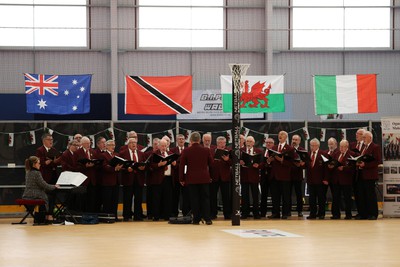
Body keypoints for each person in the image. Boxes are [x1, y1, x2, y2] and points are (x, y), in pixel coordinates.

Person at [179, 132, 214, 225]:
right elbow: (211, 164)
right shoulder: (206, 150)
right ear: (200, 140)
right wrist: (211, 177)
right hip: (204, 178)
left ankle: (196, 219)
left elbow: (181, 166)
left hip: (191, 179)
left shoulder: (186, 151)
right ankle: (207, 219)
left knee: (194, 199)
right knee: (205, 199)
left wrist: (181, 179)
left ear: (190, 140)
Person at [22, 156, 60, 223]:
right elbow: (44, 185)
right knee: (51, 197)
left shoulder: (28, 172)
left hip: (27, 194)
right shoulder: (37, 173)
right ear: (34, 164)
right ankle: (48, 216)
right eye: (38, 163)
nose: (40, 164)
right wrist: (54, 186)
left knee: (48, 195)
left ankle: (44, 216)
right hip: (35, 195)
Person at [268, 131, 295, 219]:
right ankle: (275, 213)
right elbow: (270, 161)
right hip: (274, 175)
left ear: (286, 137)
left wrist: (282, 160)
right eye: (279, 135)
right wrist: (269, 161)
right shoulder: (274, 147)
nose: (280, 136)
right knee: (275, 196)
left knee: (285, 196)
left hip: (284, 176)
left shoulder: (290, 149)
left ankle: (285, 213)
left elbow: (291, 163)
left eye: (282, 135)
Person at [119, 138, 147, 221]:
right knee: (127, 198)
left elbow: (146, 165)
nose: (133, 144)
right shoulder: (123, 153)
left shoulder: (141, 154)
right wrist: (126, 169)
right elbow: (120, 166)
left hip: (139, 179)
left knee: (138, 198)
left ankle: (137, 216)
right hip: (128, 179)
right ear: (128, 144)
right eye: (131, 143)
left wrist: (143, 168)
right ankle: (127, 216)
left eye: (135, 142)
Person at [148, 139, 177, 221]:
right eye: (162, 146)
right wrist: (159, 164)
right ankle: (156, 216)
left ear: (167, 145)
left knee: (167, 198)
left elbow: (176, 167)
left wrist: (174, 164)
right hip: (158, 179)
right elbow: (150, 166)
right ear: (159, 146)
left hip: (168, 179)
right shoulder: (154, 154)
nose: (164, 147)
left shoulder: (171, 154)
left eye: (165, 145)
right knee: (156, 198)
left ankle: (166, 215)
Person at [355, 131, 381, 220]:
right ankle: (363, 214)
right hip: (361, 174)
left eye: (365, 137)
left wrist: (365, 165)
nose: (363, 139)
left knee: (370, 195)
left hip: (370, 175)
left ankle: (373, 214)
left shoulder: (375, 147)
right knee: (362, 195)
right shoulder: (363, 147)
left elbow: (377, 161)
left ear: (370, 137)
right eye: (363, 137)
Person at [328, 140, 355, 220]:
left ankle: (348, 214)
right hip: (336, 180)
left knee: (347, 198)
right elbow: (333, 163)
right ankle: (336, 214)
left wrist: (344, 168)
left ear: (347, 146)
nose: (341, 148)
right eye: (340, 146)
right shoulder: (336, 154)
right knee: (336, 197)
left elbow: (353, 168)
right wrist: (331, 166)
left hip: (346, 180)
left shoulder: (351, 154)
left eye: (343, 146)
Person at [35, 133, 61, 217]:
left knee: (53, 195)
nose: (51, 141)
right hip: (45, 176)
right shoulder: (40, 150)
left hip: (54, 175)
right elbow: (39, 162)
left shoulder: (54, 149)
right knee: (45, 195)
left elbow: (56, 162)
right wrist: (46, 162)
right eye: (49, 139)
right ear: (44, 141)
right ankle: (44, 214)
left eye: (52, 139)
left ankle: (51, 213)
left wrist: (56, 161)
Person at [99, 140, 123, 221]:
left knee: (115, 200)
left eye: (114, 145)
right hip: (107, 181)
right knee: (107, 200)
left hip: (116, 180)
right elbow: (104, 167)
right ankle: (107, 217)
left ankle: (114, 216)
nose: (113, 146)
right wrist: (114, 168)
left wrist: (119, 167)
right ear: (106, 146)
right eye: (111, 145)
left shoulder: (116, 155)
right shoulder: (103, 155)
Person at [240, 136, 262, 219]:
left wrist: (258, 165)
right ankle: (245, 213)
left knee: (255, 195)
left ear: (253, 143)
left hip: (254, 176)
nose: (248, 143)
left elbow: (262, 163)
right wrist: (240, 162)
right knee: (244, 195)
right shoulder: (241, 151)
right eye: (247, 141)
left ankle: (256, 213)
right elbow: (236, 161)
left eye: (250, 141)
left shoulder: (258, 151)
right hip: (244, 176)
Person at [209, 136, 232, 220]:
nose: (222, 145)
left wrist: (227, 160)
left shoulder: (229, 151)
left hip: (225, 177)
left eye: (224, 143)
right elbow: (209, 163)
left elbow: (233, 163)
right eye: (220, 143)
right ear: (217, 143)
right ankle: (213, 213)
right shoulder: (211, 151)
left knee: (226, 196)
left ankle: (227, 214)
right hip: (214, 176)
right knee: (213, 196)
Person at [306, 138, 329, 220]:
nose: (312, 147)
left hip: (320, 180)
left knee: (321, 198)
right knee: (312, 198)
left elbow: (326, 168)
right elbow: (306, 166)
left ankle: (321, 213)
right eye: (311, 145)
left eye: (314, 145)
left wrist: (326, 179)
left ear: (318, 146)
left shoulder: (323, 154)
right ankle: (312, 213)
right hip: (311, 180)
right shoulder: (308, 154)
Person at [75, 136, 98, 213]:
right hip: (83, 179)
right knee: (83, 198)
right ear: (82, 144)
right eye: (86, 143)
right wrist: (85, 166)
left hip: (92, 179)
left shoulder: (93, 152)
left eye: (89, 143)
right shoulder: (78, 152)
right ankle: (83, 214)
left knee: (92, 198)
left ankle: (91, 214)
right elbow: (76, 166)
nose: (88, 145)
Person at [170, 134, 190, 217]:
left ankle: (186, 213)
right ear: (176, 141)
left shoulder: (188, 150)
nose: (181, 140)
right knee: (175, 196)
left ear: (185, 141)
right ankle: (174, 213)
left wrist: (177, 163)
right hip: (176, 176)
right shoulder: (172, 150)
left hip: (186, 177)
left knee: (186, 196)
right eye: (179, 139)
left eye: (182, 139)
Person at [291, 134, 305, 217]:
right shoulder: (288, 149)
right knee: (287, 194)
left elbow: (306, 162)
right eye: (293, 139)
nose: (294, 141)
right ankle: (287, 210)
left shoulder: (302, 150)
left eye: (296, 140)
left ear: (299, 141)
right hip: (288, 175)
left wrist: (301, 164)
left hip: (298, 175)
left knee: (299, 194)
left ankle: (300, 210)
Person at [260, 137, 274, 217]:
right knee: (263, 195)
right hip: (263, 177)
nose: (268, 144)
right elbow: (260, 164)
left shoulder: (275, 153)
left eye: (270, 143)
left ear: (273, 144)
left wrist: (269, 163)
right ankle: (262, 212)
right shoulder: (262, 152)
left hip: (273, 177)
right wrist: (267, 162)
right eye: (267, 142)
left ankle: (275, 212)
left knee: (274, 195)